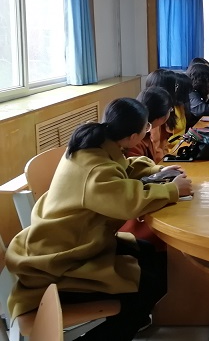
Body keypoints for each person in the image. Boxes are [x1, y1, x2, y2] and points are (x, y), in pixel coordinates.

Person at [5, 98, 193, 341]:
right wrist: (173, 190)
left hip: (72, 240)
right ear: (133, 137)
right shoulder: (96, 170)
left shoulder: (96, 144)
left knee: (151, 255)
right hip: (61, 261)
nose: (148, 131)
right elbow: (128, 203)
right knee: (148, 285)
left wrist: (156, 172)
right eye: (146, 128)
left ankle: (135, 319)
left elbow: (121, 169)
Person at [126, 87, 174, 163]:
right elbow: (139, 167)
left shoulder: (146, 129)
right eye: (170, 109)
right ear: (161, 117)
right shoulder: (135, 140)